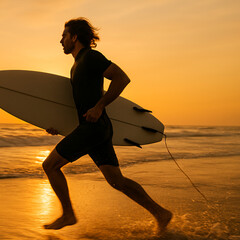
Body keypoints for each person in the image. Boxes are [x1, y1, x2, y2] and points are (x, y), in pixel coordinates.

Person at [42, 18, 172, 233]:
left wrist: (100, 106)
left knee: (50, 166)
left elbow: (122, 78)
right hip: (96, 129)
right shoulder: (76, 66)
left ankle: (68, 214)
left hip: (94, 129)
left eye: (64, 35)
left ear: (74, 37)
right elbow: (81, 104)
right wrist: (59, 126)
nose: (60, 40)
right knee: (116, 181)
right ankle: (161, 213)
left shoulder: (91, 57)